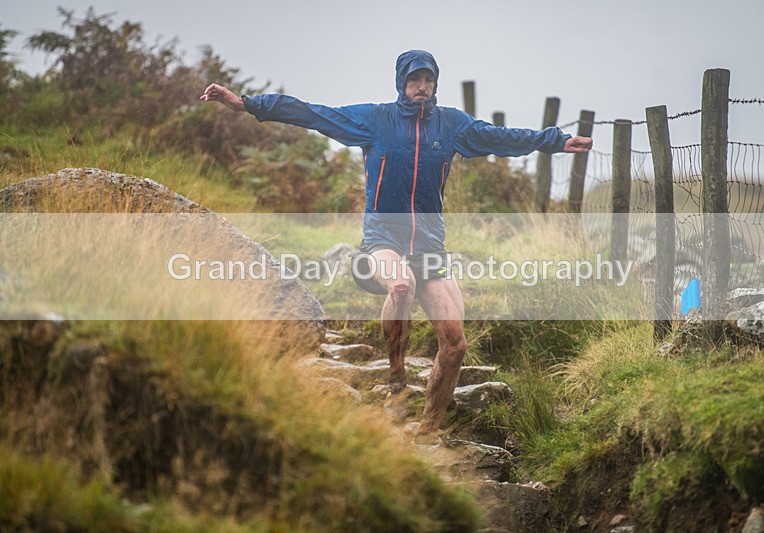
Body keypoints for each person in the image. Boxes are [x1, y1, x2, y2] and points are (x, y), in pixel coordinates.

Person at [200, 50, 592, 437]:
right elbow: (313, 113)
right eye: (414, 80)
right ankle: (396, 378)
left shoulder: (451, 126)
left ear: (435, 83)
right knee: (401, 285)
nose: (421, 87)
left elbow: (501, 138)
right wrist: (249, 104)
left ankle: (428, 428)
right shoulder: (376, 120)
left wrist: (557, 141)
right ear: (401, 84)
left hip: (430, 248)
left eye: (428, 80)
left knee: (455, 344)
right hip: (382, 241)